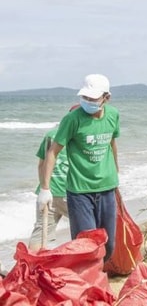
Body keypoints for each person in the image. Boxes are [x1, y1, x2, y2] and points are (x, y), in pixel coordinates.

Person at [39, 74, 120, 261]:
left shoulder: (113, 115)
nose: (88, 102)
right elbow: (52, 152)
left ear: (106, 98)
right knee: (86, 245)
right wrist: (45, 189)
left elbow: (112, 143)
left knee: (109, 246)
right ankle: (88, 285)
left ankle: (97, 278)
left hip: (107, 188)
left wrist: (116, 171)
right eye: (85, 98)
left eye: (93, 99)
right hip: (80, 192)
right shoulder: (72, 119)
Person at [28, 105, 78, 251]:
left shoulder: (51, 135)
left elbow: (41, 165)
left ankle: (33, 267)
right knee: (86, 231)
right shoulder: (82, 134)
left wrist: (45, 187)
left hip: (49, 191)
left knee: (42, 232)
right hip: (73, 192)